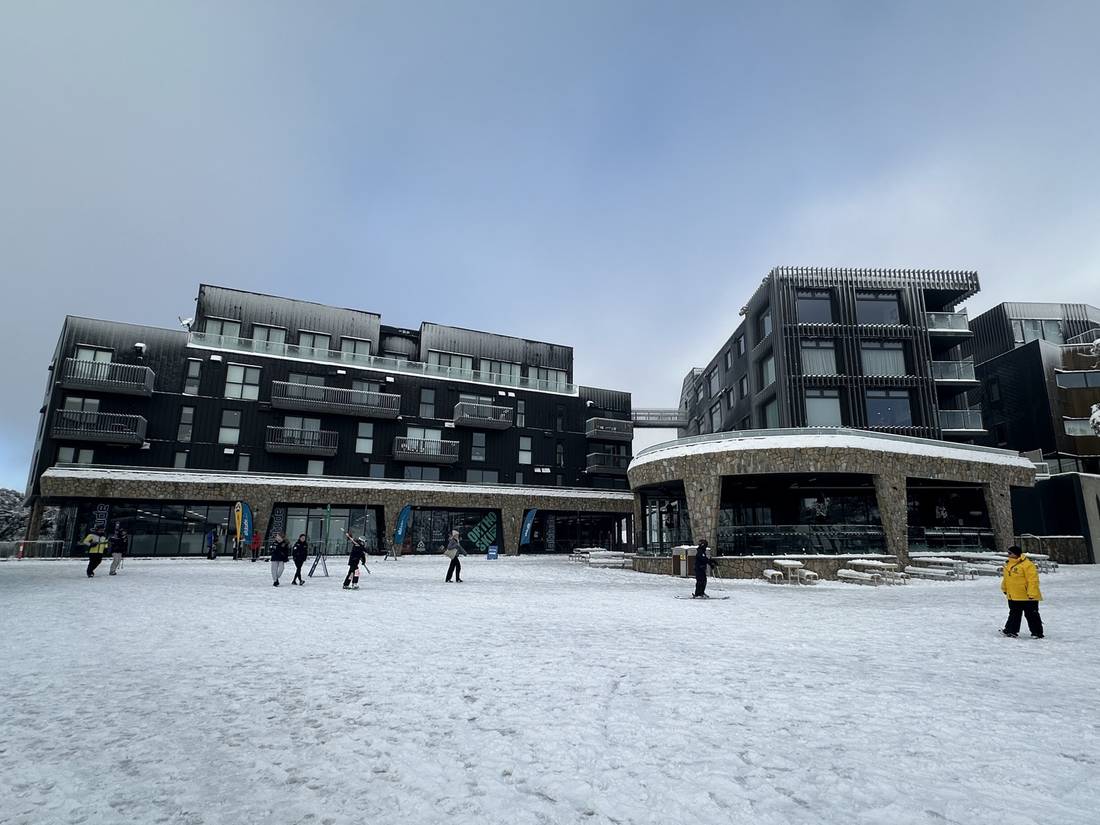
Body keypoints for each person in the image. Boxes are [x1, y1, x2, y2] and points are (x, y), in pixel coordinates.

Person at [1001, 545, 1043, 638]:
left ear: (1016, 554)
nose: (1008, 555)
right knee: (1014, 614)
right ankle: (1010, 630)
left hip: (1027, 596)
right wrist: (1004, 588)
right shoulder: (1008, 564)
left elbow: (1033, 580)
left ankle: (1037, 633)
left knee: (1031, 615)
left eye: (1010, 553)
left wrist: (1032, 593)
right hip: (1013, 595)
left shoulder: (1027, 565)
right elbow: (1006, 579)